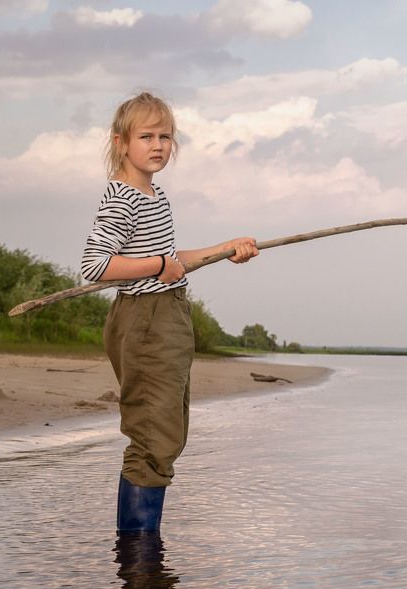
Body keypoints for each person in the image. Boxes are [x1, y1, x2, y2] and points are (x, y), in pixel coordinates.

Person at [81, 91, 258, 534]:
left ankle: (143, 549)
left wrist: (225, 250)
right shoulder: (124, 197)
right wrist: (159, 266)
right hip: (145, 320)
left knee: (168, 433)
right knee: (153, 438)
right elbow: (96, 265)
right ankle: (139, 557)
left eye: (165, 136)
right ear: (121, 142)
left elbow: (169, 257)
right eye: (147, 136)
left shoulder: (153, 194)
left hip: (167, 316)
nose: (158, 145)